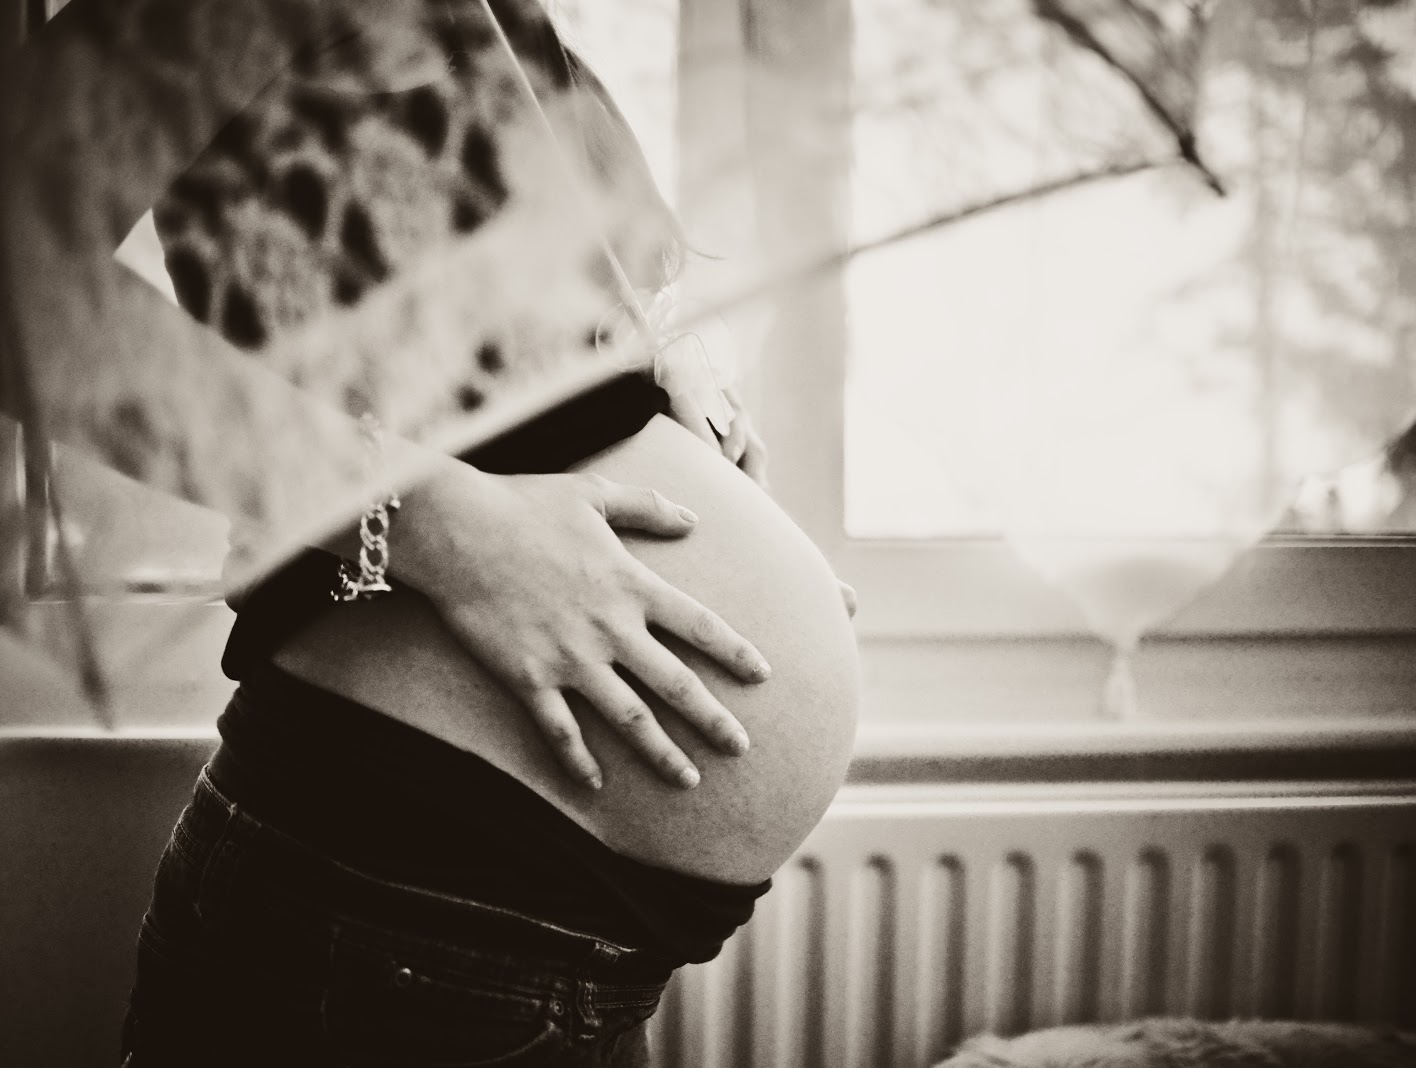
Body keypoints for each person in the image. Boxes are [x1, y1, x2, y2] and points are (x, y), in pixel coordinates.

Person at [2, 1, 860, 1064]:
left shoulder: (503, 23)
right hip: (390, 920)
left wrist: (654, 358)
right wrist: (448, 529)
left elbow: (443, 326)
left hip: (533, 945)